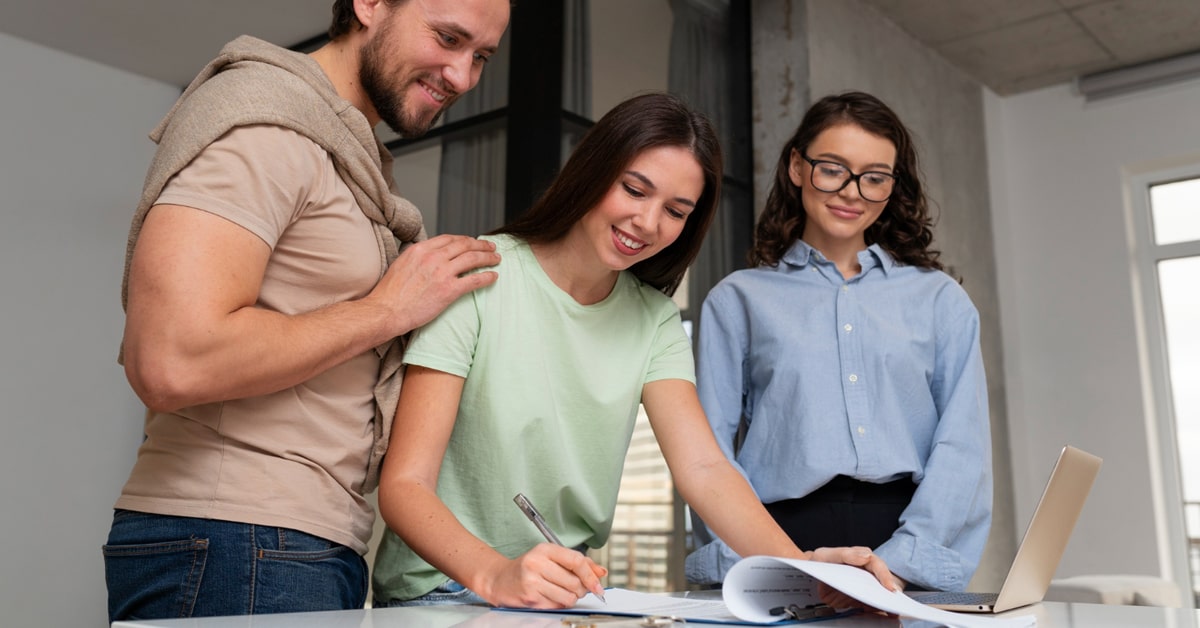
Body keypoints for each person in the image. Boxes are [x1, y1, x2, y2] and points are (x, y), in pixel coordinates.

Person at [371, 92, 899, 610]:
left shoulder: (655, 321)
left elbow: (705, 469)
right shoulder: (477, 278)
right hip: (439, 591)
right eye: (634, 189)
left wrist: (800, 568)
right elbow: (404, 485)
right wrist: (495, 573)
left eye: (675, 210)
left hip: (562, 595)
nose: (647, 223)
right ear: (593, 170)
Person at [102, 0, 510, 621]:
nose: (461, 76)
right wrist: (387, 310)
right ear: (369, 5)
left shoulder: (343, 150)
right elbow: (169, 359)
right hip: (237, 536)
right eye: (448, 38)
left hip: (294, 544)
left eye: (480, 56)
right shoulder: (265, 125)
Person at [684, 91, 992, 595]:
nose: (852, 192)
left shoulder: (940, 299)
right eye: (833, 168)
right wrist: (771, 561)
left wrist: (902, 560)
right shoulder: (737, 299)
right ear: (797, 167)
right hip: (776, 540)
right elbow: (708, 454)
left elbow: (963, 445)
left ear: (892, 188)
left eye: (874, 177)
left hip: (904, 544)